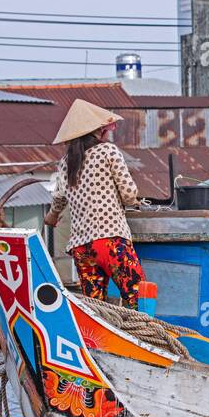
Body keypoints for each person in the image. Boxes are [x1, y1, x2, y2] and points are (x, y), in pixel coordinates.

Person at [43, 98, 147, 305]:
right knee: (138, 295)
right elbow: (128, 193)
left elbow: (59, 199)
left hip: (82, 248)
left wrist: (52, 216)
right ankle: (147, 336)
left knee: (96, 306)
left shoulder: (66, 163)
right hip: (110, 240)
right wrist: (135, 201)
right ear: (98, 132)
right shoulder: (107, 151)